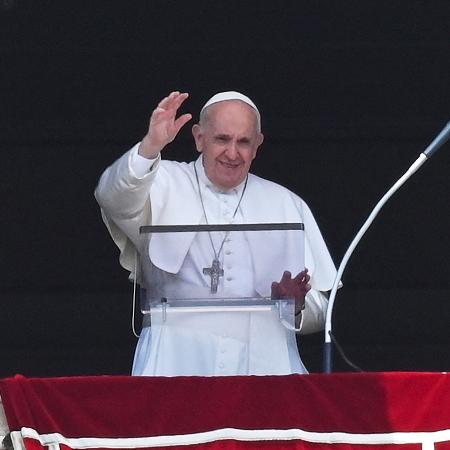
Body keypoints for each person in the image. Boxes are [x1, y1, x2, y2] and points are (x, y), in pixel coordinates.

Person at [95, 91, 337, 376]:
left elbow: (321, 310)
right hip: (175, 359)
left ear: (257, 145)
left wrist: (294, 306)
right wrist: (150, 147)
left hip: (264, 362)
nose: (232, 153)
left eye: (244, 142)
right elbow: (111, 196)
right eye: (222, 139)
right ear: (199, 138)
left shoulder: (285, 203)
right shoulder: (162, 182)